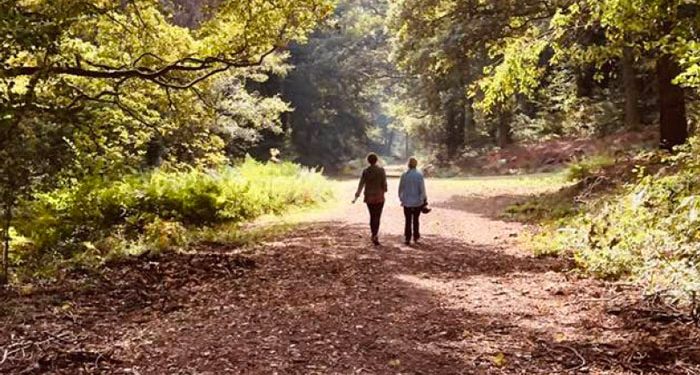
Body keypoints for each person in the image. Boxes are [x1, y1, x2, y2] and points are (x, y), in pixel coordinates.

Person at [354, 153, 388, 245]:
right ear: (376, 160)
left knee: (372, 216)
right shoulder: (381, 170)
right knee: (377, 216)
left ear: (368, 161)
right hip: (379, 197)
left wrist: (357, 195)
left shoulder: (366, 171)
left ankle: (373, 234)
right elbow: (384, 183)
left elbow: (361, 184)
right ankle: (375, 234)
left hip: (369, 197)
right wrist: (385, 189)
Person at [398, 157, 427, 245]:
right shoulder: (419, 175)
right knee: (416, 219)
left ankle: (407, 237)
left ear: (408, 164)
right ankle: (416, 236)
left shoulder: (404, 175)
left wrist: (401, 198)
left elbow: (400, 188)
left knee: (408, 220)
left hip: (406, 201)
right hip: (417, 201)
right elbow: (422, 189)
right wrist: (424, 199)